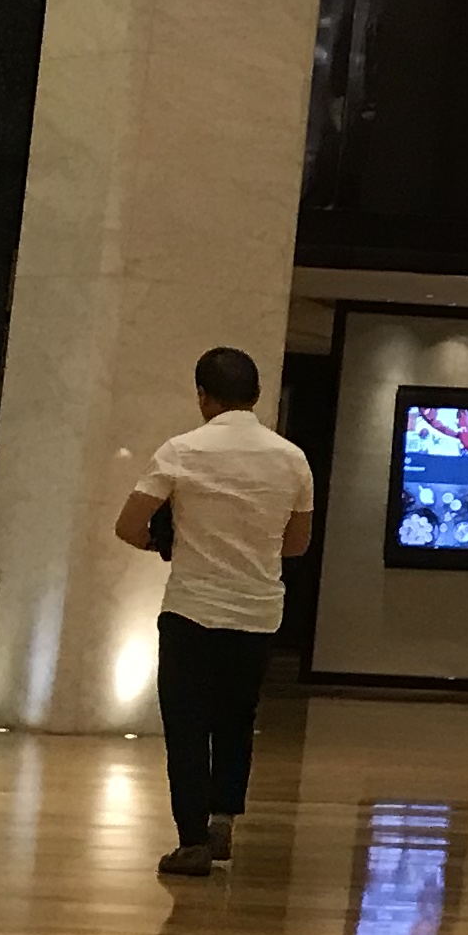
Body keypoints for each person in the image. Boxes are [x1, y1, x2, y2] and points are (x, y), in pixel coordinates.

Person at [113, 347, 313, 881]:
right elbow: (296, 544)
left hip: (192, 609)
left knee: (186, 724)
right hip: (258, 610)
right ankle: (223, 817)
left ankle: (192, 841)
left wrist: (165, 544)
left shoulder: (182, 450)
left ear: (203, 396)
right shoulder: (292, 458)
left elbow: (128, 526)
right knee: (236, 718)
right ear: (256, 395)